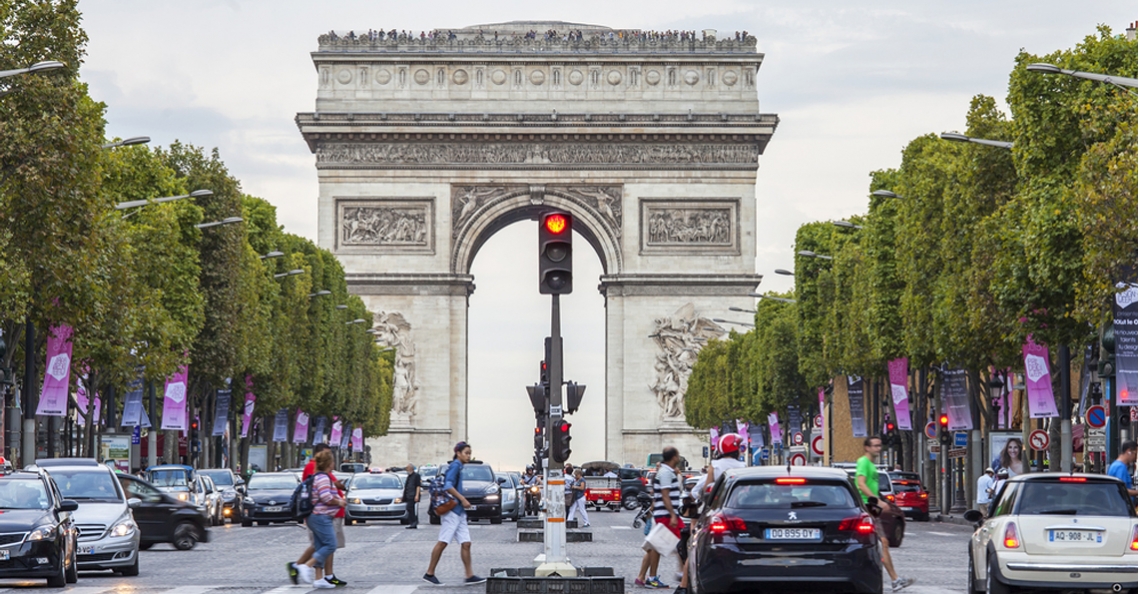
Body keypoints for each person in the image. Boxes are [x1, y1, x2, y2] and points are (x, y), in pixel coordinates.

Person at [676, 434, 747, 594]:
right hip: (737, 511)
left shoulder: (715, 466)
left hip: (713, 512)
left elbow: (705, 489)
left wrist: (693, 501)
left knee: (694, 549)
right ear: (735, 450)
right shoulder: (742, 467)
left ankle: (683, 586)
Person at [423, 442, 485, 586]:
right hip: (452, 511)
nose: (468, 456)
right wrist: (462, 499)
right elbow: (448, 485)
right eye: (466, 453)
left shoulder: (459, 466)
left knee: (466, 543)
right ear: (458, 453)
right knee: (443, 541)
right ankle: (429, 573)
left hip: (459, 512)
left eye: (470, 453)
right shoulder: (456, 466)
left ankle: (469, 575)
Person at [856, 436, 913, 592]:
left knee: (883, 543)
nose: (878, 448)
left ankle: (894, 579)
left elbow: (869, 486)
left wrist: (881, 501)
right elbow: (861, 484)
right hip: (867, 506)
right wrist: (877, 501)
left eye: (879, 446)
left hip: (871, 507)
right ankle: (894, 579)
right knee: (881, 543)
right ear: (867, 447)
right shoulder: (863, 462)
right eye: (875, 446)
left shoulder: (871, 465)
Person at [288, 444, 348, 587]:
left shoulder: (321, 476)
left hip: (321, 516)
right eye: (332, 461)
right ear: (329, 463)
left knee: (320, 544)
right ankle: (304, 566)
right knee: (330, 544)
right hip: (320, 516)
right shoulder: (322, 477)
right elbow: (326, 497)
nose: (334, 463)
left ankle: (319, 579)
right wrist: (339, 502)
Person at [636, 446, 682, 590]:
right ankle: (654, 577)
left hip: (663, 514)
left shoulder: (664, 472)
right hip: (666, 515)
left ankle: (646, 576)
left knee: (656, 545)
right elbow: (665, 495)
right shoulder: (666, 473)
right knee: (661, 545)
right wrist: (673, 514)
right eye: (677, 455)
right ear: (674, 457)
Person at [403, 463, 422, 529]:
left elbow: (418, 486)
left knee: (410, 508)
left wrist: (417, 495)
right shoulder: (409, 476)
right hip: (408, 495)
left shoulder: (416, 476)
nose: (407, 470)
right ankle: (412, 522)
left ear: (411, 469)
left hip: (413, 495)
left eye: (407, 469)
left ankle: (414, 522)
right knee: (409, 508)